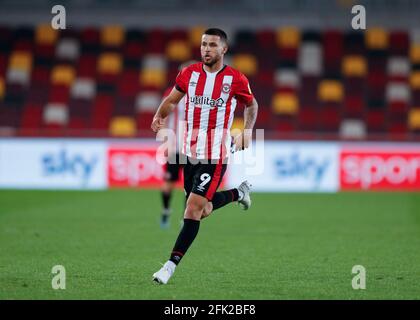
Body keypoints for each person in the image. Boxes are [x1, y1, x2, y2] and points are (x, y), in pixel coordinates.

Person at [151, 28, 259, 284]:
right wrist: (159, 115)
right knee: (203, 210)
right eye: (203, 45)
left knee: (191, 210)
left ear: (224, 49)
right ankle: (238, 193)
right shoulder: (189, 74)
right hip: (189, 154)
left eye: (212, 45)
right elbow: (172, 99)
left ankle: (169, 266)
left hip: (215, 155)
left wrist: (247, 130)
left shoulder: (235, 79)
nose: (206, 49)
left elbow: (251, 104)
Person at [159, 61, 196, 229]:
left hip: (194, 148)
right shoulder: (173, 92)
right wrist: (166, 140)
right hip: (175, 146)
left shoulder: (202, 94)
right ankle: (166, 210)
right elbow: (164, 115)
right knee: (168, 183)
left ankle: (184, 218)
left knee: (190, 186)